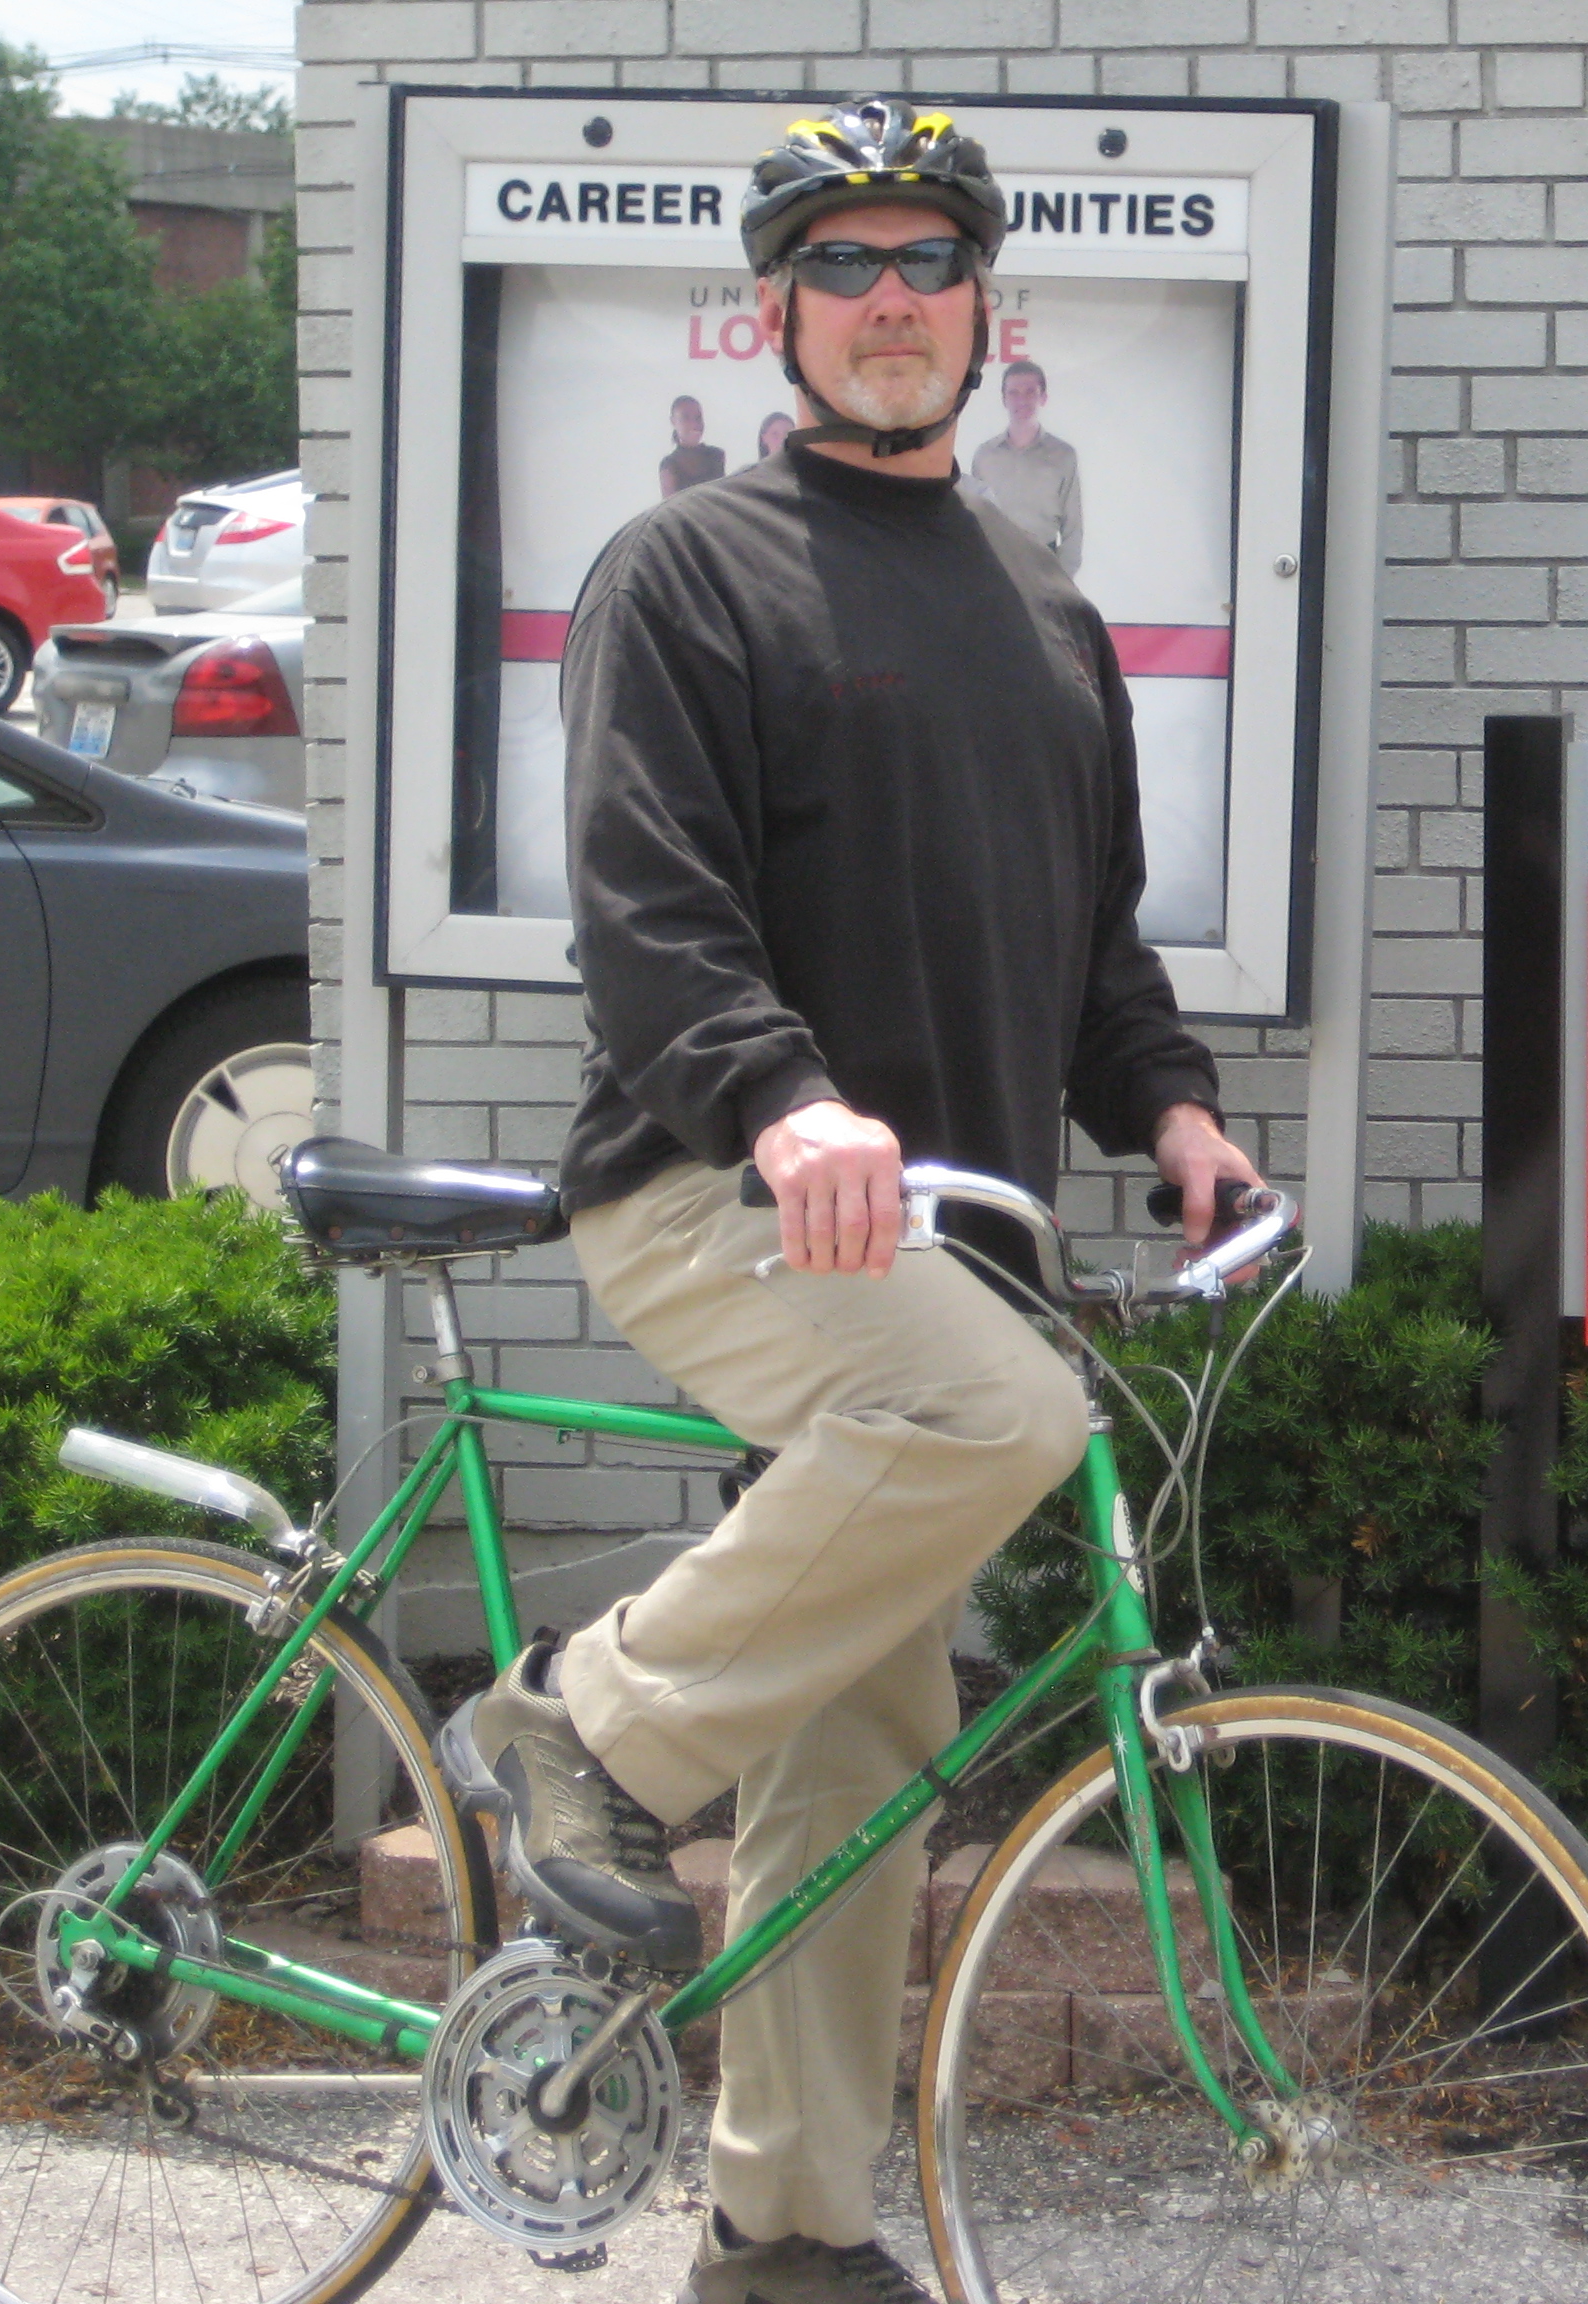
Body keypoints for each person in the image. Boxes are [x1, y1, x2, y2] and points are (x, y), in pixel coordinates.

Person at [437, 97, 1263, 2304]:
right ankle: (577, 1730)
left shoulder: (1045, 609)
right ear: (778, 313)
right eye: (843, 265)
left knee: (869, 1743)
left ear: (989, 306)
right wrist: (785, 1104)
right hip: (720, 1192)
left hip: (942, 1239)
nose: (887, 300)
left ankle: (785, 2226)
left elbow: (1092, 952)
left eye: (925, 261)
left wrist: (1173, 1113)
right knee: (1010, 1425)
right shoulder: (689, 569)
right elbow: (651, 915)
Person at [965, 357, 1081, 574]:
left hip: (1045, 565)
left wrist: (1063, 582)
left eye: (1030, 391)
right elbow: (974, 520)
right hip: (995, 565)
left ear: (1043, 397)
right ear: (1004, 399)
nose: (1022, 400)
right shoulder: (984, 455)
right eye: (1013, 393)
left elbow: (1073, 527)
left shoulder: (1063, 455)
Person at [661, 395, 726, 495]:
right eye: (686, 417)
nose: (694, 424)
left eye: (698, 417)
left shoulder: (717, 455)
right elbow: (670, 508)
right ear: (673, 421)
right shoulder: (669, 465)